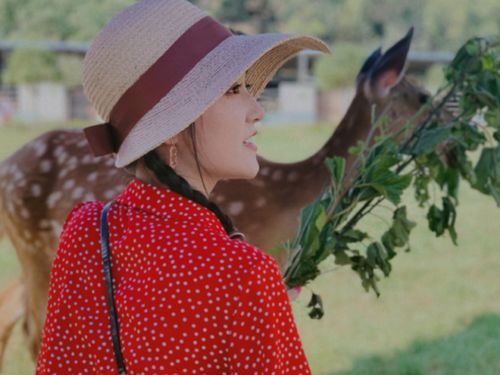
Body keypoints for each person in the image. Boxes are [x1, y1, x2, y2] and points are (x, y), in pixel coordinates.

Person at [35, 0, 331, 373]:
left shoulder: (86, 231)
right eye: (232, 90)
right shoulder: (244, 274)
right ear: (173, 126)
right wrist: (255, 305)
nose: (257, 110)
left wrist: (255, 312)